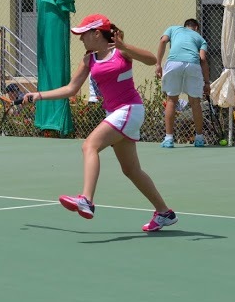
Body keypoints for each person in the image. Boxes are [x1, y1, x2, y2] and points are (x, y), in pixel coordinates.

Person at [23, 13, 177, 232]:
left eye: (84, 34)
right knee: (131, 170)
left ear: (97, 34)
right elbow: (71, 89)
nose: (80, 39)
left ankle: (86, 200)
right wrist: (38, 95)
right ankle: (164, 212)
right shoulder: (89, 59)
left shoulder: (121, 52)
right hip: (115, 113)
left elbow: (151, 60)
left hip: (129, 109)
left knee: (89, 146)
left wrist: (125, 46)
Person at [155, 18, 211, 148]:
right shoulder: (200, 39)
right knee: (195, 102)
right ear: (196, 28)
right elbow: (203, 59)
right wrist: (207, 83)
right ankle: (199, 139)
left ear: (185, 26)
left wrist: (158, 64)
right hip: (193, 64)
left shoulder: (173, 29)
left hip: (173, 63)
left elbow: (163, 41)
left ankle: (169, 139)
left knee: (171, 100)